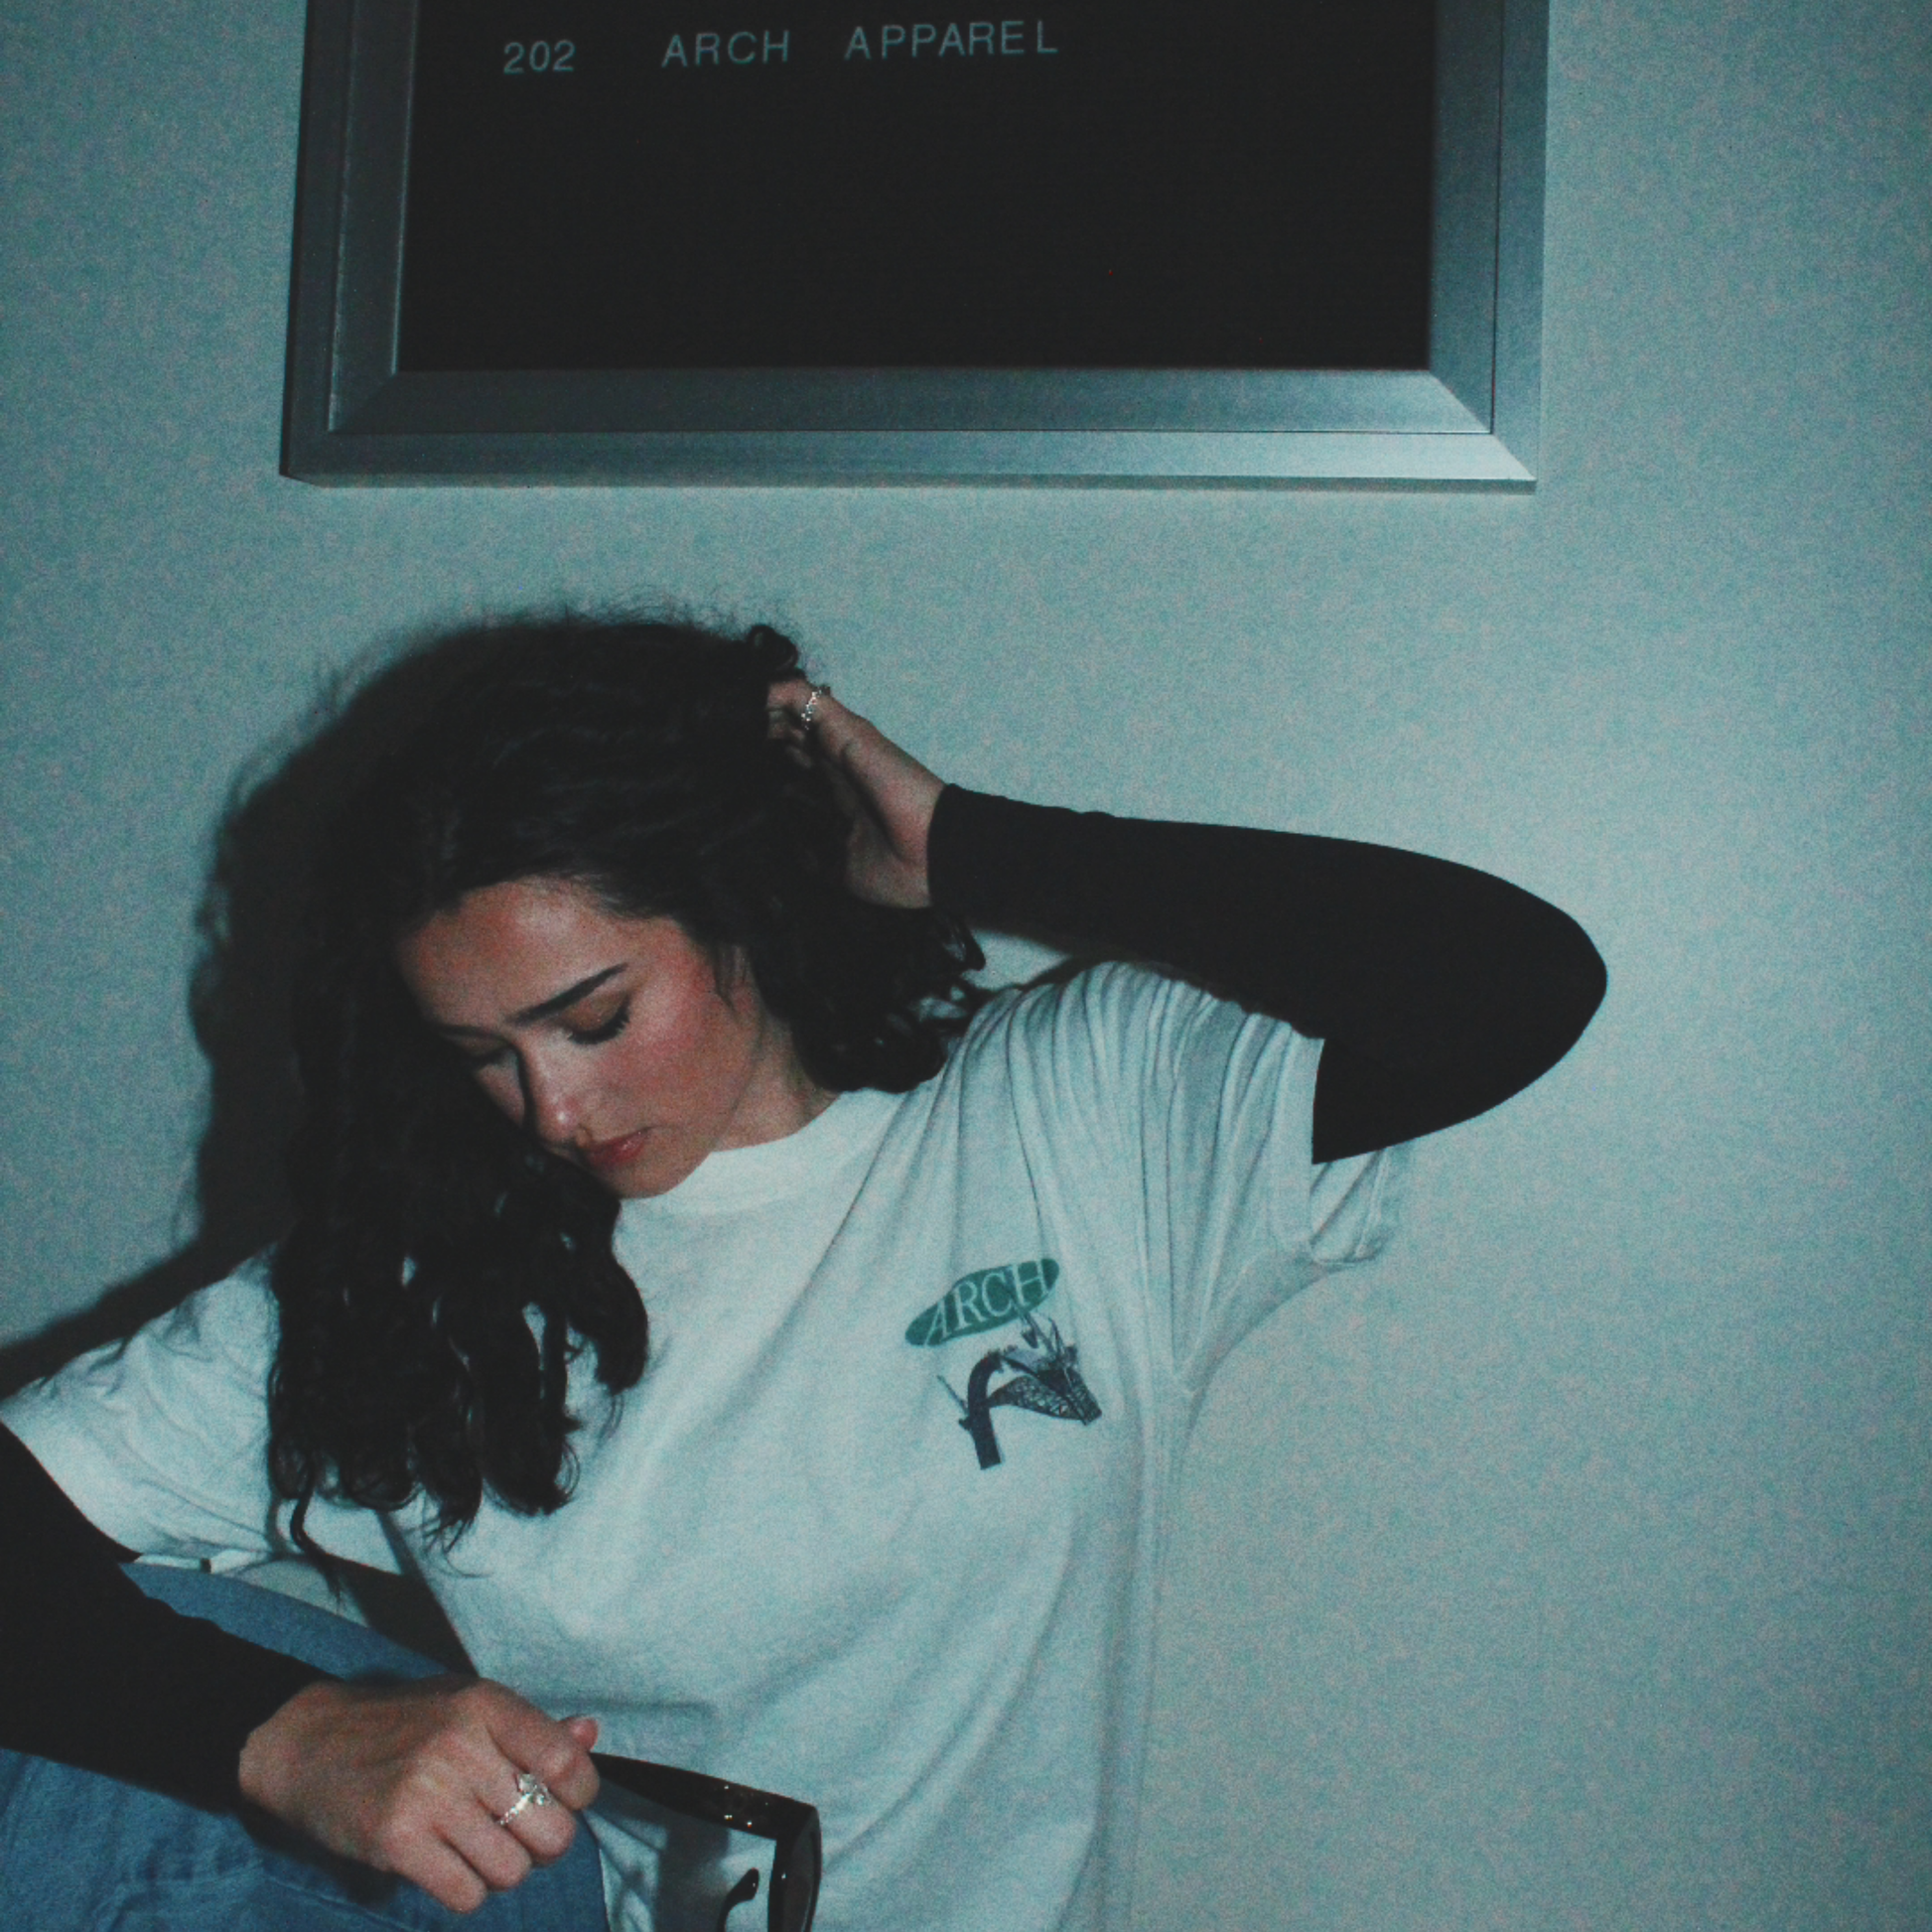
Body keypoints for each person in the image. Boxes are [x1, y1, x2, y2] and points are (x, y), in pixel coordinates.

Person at [0, 617, 1604, 1930]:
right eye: (481, 1053)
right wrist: (285, 1736)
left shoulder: (1065, 1116)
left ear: (739, 906)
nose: (550, 1108)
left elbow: (1513, 984)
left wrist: (969, 846)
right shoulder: (423, 1278)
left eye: (594, 1016)